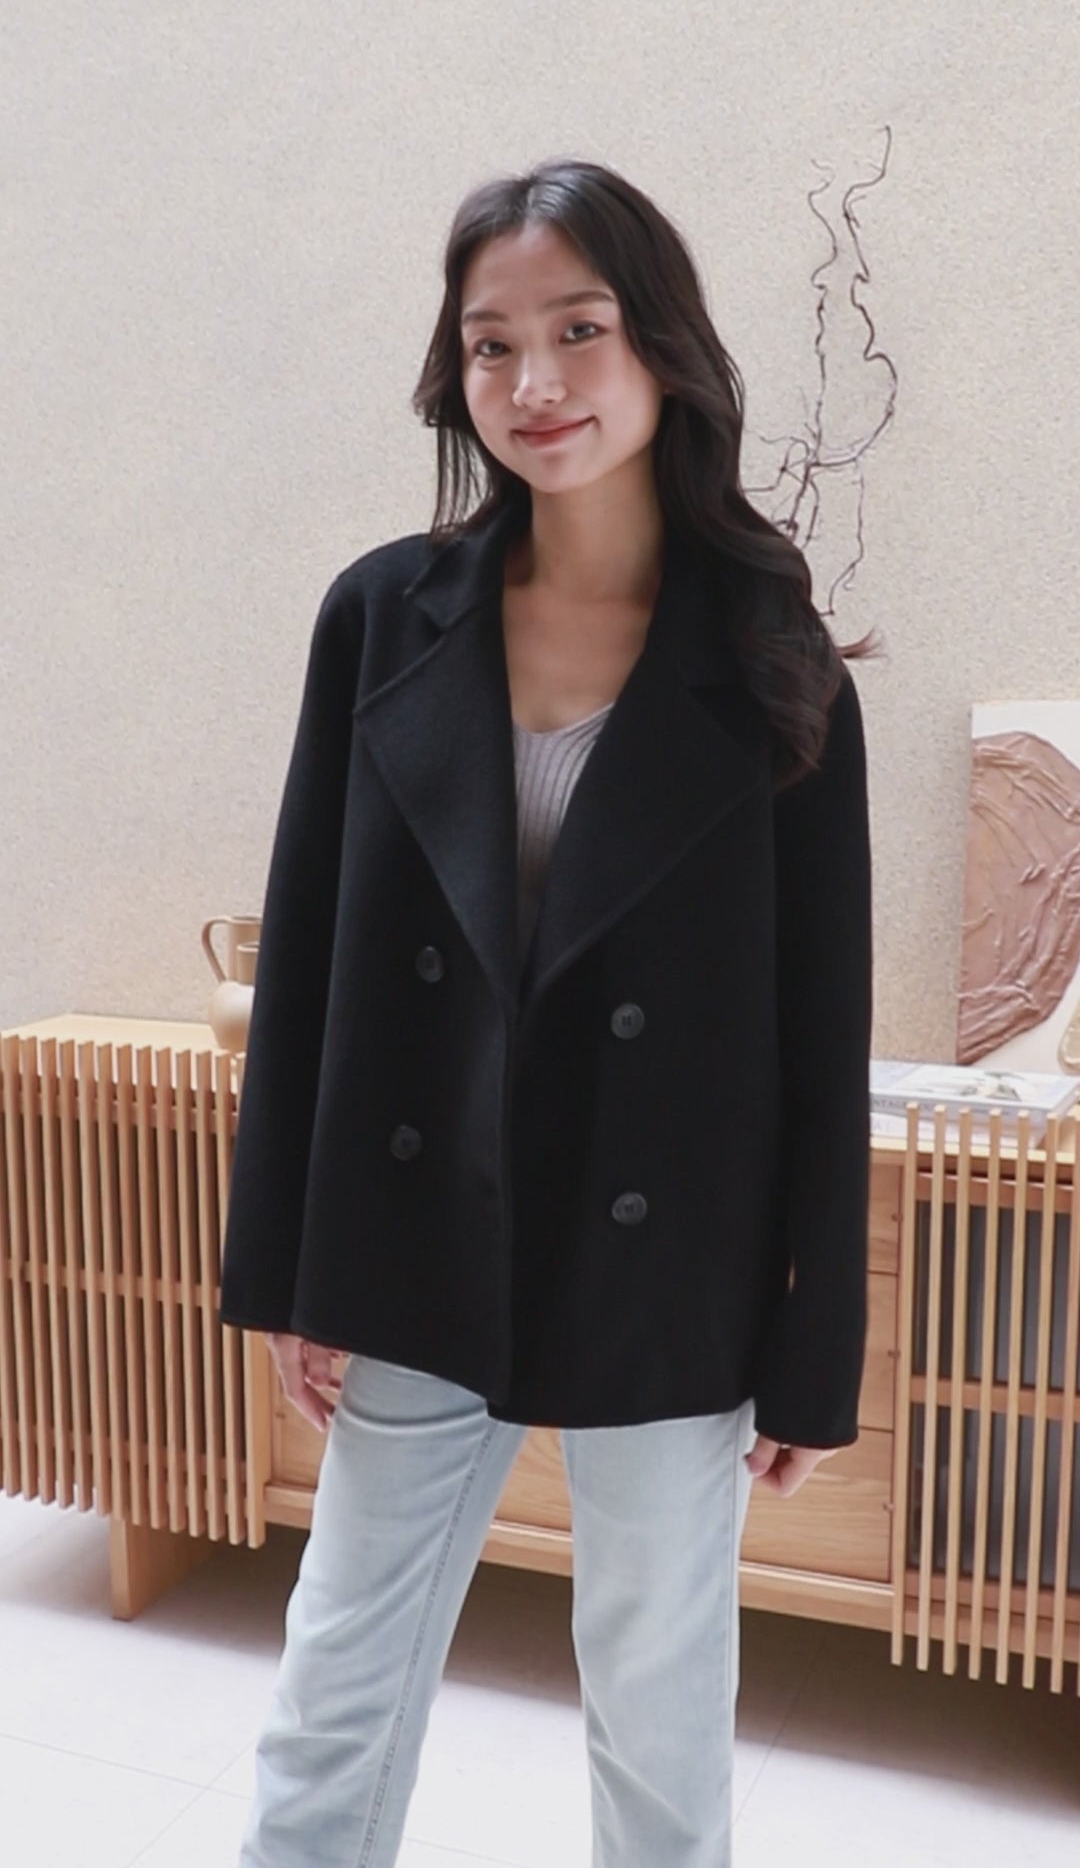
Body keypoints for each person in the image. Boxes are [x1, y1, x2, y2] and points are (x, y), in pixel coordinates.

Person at [219, 155, 875, 1868]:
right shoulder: (384, 616)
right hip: (419, 1227)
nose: (535, 382)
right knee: (340, 1669)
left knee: (659, 1709)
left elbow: (822, 1032)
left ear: (660, 346)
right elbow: (312, 955)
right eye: (492, 344)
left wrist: (811, 1356)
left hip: (669, 1258)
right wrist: (291, 1263)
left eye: (579, 330)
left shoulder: (773, 659)